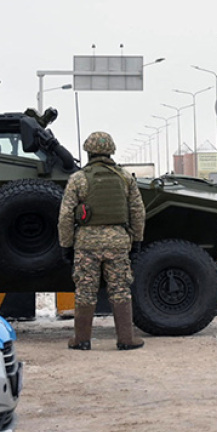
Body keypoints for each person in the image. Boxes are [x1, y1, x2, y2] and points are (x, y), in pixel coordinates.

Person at [57, 131, 146, 351]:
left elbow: (66, 215)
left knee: (85, 291)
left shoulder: (78, 179)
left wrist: (66, 245)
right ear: (111, 152)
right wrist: (136, 241)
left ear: (88, 152)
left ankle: (81, 340)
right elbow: (138, 212)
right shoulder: (125, 178)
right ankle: (126, 339)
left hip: (86, 244)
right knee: (120, 289)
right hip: (118, 243)